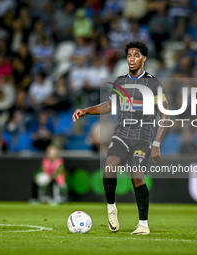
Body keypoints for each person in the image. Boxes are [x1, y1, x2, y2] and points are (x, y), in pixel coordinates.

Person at [72, 41, 169, 235]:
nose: (132, 59)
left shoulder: (153, 83)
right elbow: (109, 105)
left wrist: (156, 143)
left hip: (142, 137)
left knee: (137, 177)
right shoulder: (121, 81)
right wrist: (87, 111)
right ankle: (111, 208)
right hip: (122, 135)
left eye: (136, 56)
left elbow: (165, 115)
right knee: (109, 167)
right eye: (129, 56)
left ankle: (143, 225)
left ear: (144, 58)